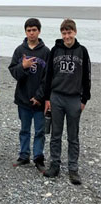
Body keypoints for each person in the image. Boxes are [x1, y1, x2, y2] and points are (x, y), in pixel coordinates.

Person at [43, 19, 91, 185]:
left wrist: (84, 99)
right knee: (55, 134)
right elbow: (48, 75)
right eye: (64, 33)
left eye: (69, 32)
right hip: (56, 97)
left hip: (74, 98)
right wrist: (47, 98)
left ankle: (73, 169)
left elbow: (87, 77)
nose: (67, 36)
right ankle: (54, 165)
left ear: (75, 32)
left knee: (73, 136)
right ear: (61, 34)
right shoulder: (55, 50)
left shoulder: (82, 51)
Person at [8, 18, 49, 172]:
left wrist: (39, 97)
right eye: (29, 30)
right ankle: (24, 155)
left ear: (39, 31)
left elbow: (48, 78)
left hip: (39, 101)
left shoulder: (46, 52)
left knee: (39, 131)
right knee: (24, 129)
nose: (31, 33)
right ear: (25, 31)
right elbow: (13, 71)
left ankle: (38, 158)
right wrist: (23, 67)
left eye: (34, 30)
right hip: (23, 98)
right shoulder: (20, 50)